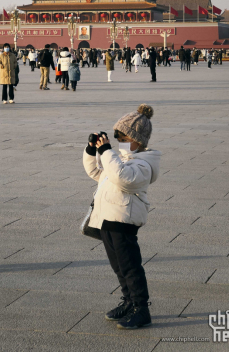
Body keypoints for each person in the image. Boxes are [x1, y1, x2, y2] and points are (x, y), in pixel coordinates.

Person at [83, 104, 160, 329]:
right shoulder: (119, 159)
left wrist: (106, 151)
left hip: (123, 220)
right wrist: (92, 150)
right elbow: (96, 173)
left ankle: (141, 308)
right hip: (107, 219)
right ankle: (128, 302)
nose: (121, 142)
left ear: (139, 141)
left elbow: (122, 178)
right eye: (118, 137)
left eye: (125, 137)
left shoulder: (144, 164)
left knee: (130, 266)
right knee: (118, 266)